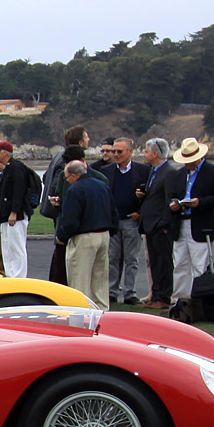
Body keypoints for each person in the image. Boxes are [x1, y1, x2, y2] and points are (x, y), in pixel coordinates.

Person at [167, 137, 214, 305]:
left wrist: (200, 202)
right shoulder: (179, 174)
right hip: (181, 221)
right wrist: (174, 204)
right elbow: (172, 194)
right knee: (180, 263)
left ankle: (200, 300)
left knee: (200, 264)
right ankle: (180, 300)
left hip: (200, 223)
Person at [54, 159, 114, 308]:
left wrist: (62, 236)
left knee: (79, 279)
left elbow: (71, 220)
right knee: (100, 279)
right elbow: (113, 212)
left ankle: (81, 312)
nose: (67, 181)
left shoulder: (75, 190)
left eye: (67, 178)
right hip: (104, 234)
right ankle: (101, 310)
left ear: (74, 176)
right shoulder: (102, 186)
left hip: (84, 237)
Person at [37, 127, 89, 286]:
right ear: (80, 142)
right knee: (64, 250)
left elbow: (45, 177)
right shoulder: (69, 164)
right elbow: (56, 184)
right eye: (86, 137)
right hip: (64, 212)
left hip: (56, 210)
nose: (88, 140)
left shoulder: (58, 157)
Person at [99, 135, 146, 305]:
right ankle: (112, 291)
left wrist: (139, 212)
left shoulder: (142, 171)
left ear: (130, 152)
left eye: (119, 151)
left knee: (131, 259)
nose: (116, 154)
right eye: (114, 151)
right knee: (112, 258)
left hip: (131, 221)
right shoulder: (107, 172)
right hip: (113, 222)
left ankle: (129, 292)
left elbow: (150, 196)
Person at [137, 138, 176, 309]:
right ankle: (156, 293)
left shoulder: (169, 173)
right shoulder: (152, 172)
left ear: (155, 153)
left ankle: (164, 297)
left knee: (163, 262)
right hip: (150, 224)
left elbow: (169, 199)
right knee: (154, 261)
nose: (144, 155)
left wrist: (165, 224)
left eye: (146, 151)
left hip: (160, 225)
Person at [0, 142, 35, 277]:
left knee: (16, 246)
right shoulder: (8, 168)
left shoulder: (16, 168)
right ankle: (10, 274)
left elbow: (19, 191)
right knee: (7, 246)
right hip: (5, 214)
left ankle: (19, 275)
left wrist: (14, 212)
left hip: (15, 215)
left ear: (5, 153)